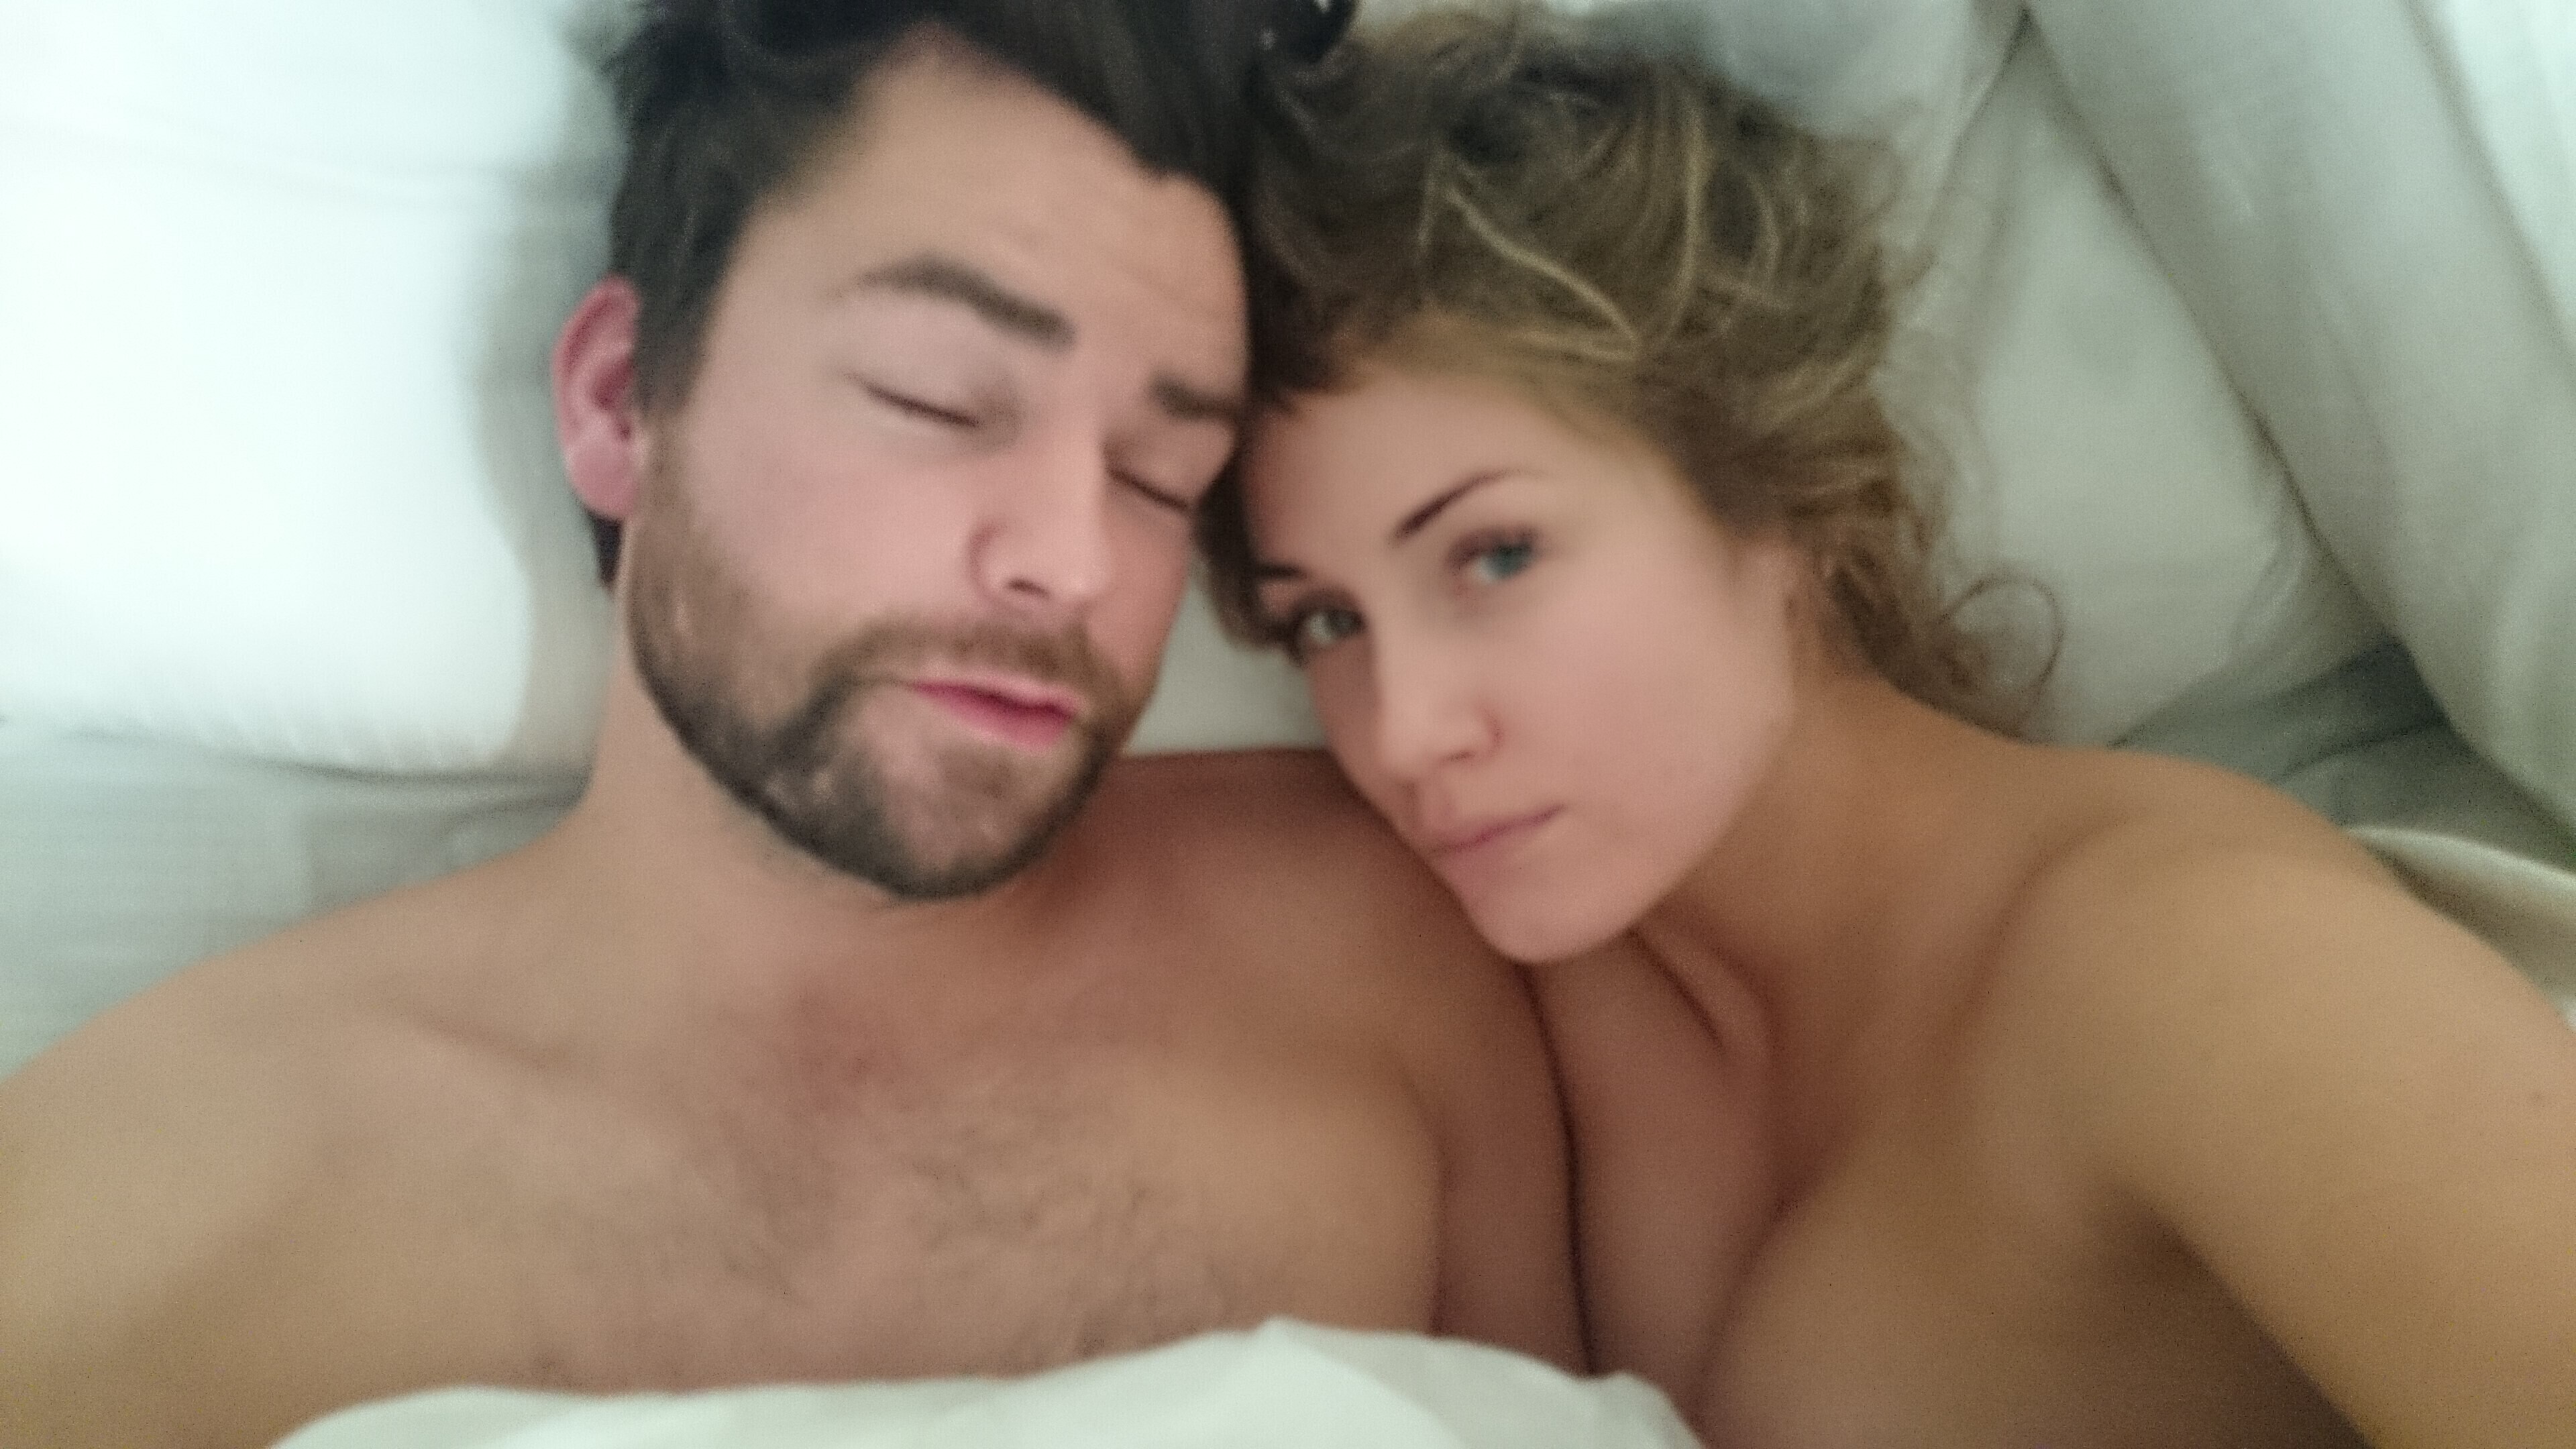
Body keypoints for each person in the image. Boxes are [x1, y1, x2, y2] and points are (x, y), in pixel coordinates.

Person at [0, 4, 1583, 1446]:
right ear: (621, 401)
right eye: (938, 398)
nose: (1078, 560)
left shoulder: (1401, 961)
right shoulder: (121, 1212)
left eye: (1161, 476)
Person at [1200, 7, 2576, 1446]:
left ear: (1774, 495)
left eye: (1494, 556)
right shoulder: (1558, 987)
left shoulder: (2186, 969)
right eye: (1327, 623)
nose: (1402, 733)